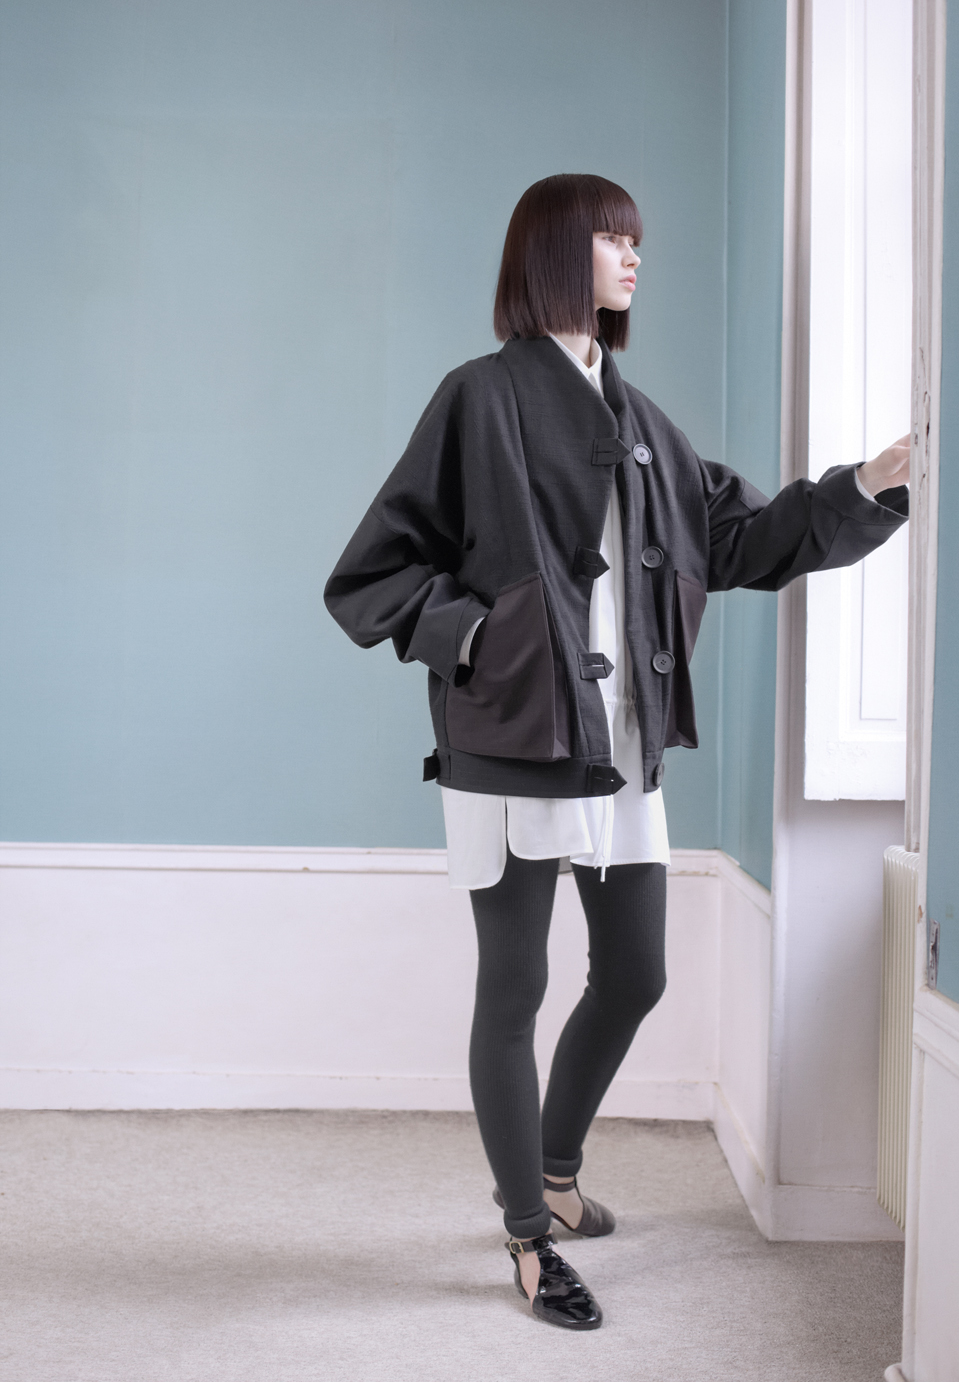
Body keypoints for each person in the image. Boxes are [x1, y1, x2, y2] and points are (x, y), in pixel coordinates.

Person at [324, 174, 909, 1330]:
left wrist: (867, 484)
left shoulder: (639, 422)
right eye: (609, 238)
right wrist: (484, 634)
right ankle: (527, 1237)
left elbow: (740, 538)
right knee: (514, 987)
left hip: (621, 747)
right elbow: (369, 575)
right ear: (553, 252)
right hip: (512, 744)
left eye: (634, 239)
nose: (632, 256)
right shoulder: (478, 397)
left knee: (633, 970)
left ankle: (553, 1167)